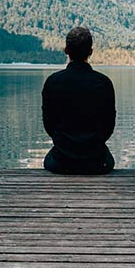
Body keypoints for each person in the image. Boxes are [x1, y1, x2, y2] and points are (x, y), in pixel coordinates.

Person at [41, 26, 115, 175]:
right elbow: (109, 126)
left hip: (61, 162)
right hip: (97, 162)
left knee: (50, 158)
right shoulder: (104, 83)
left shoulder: (53, 82)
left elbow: (49, 124)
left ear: (66, 50)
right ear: (90, 52)